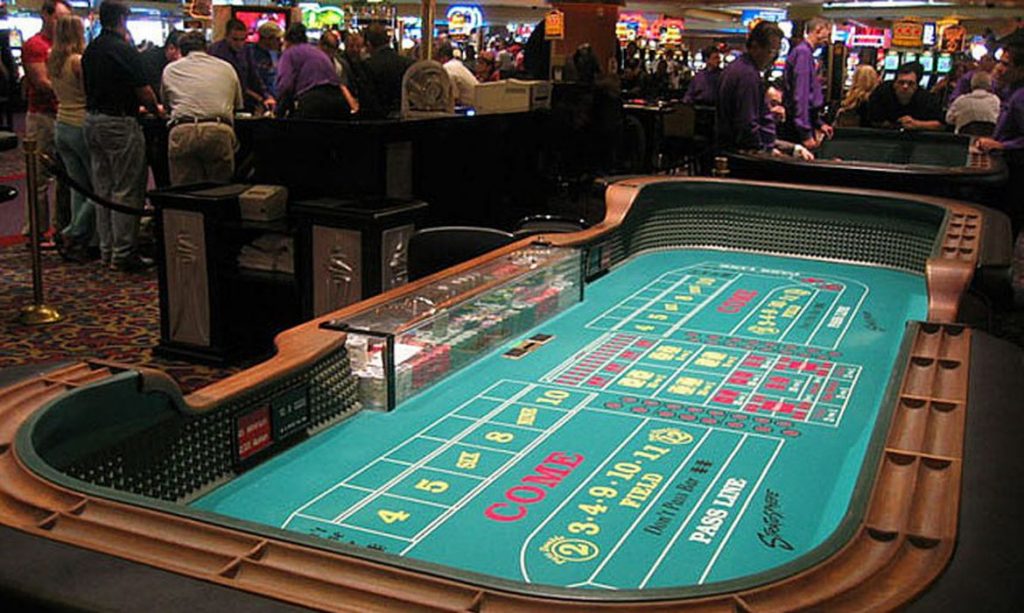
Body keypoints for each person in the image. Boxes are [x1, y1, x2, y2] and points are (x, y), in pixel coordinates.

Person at [82, 0, 163, 272]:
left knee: (102, 189)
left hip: (92, 119)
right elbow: (144, 91)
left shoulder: (91, 49)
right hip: (119, 121)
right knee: (126, 189)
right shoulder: (123, 49)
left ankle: (107, 250)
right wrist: (157, 111)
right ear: (122, 19)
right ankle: (124, 253)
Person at [161, 31, 242, 185]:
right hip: (218, 129)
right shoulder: (227, 68)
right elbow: (237, 105)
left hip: (183, 130)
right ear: (206, 48)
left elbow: (167, 105)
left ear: (181, 50)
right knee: (218, 189)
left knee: (184, 190)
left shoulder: (170, 69)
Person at [21, 0, 72, 246]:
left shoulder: (66, 46)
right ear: (45, 15)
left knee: (67, 177)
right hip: (42, 116)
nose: (62, 24)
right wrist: (70, 90)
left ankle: (63, 229)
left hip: (65, 116)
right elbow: (41, 82)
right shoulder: (35, 45)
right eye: (58, 18)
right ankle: (36, 230)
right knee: (39, 177)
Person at [47, 13, 95, 262]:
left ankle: (80, 236)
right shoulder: (77, 61)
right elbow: (90, 92)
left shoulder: (52, 59)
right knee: (99, 189)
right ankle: (73, 231)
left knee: (78, 187)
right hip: (80, 124)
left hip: (61, 123)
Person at [716, 21, 784, 153]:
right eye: (771, 51)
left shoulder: (738, 66)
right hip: (744, 153)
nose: (773, 59)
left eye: (776, 53)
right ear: (755, 46)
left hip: (732, 148)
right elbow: (747, 124)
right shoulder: (748, 75)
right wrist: (763, 150)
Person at [275, 23, 350, 120]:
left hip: (313, 101)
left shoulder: (289, 53)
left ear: (286, 41)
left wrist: (278, 113)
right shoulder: (317, 52)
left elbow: (285, 85)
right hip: (339, 100)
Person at [782, 16, 833, 149]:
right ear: (818, 30)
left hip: (804, 121)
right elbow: (801, 95)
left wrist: (819, 123)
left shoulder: (805, 53)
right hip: (797, 128)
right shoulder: (803, 53)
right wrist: (805, 133)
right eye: (828, 34)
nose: (828, 40)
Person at [210, 18, 275, 114]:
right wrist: (259, 98)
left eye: (242, 39)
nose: (239, 44)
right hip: (222, 99)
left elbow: (254, 75)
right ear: (226, 37)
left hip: (244, 101)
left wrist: (266, 96)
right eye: (235, 39)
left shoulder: (246, 50)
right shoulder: (216, 51)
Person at [867, 63, 944, 131]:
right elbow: (871, 120)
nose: (905, 86)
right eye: (901, 82)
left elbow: (940, 125)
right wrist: (895, 125)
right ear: (894, 84)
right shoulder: (882, 92)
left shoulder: (926, 98)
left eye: (910, 83)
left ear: (916, 86)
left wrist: (917, 124)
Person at [362, 24, 414, 118]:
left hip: (378, 119)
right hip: (404, 118)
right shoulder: (408, 63)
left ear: (368, 44)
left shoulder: (367, 65)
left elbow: (368, 100)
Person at [436, 41, 477, 107]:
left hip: (471, 106)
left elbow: (453, 98)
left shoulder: (447, 68)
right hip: (476, 102)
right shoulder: (456, 64)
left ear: (444, 57)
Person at [249, 21, 282, 99]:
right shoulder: (251, 53)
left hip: (277, 97)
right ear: (267, 39)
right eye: (277, 39)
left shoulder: (278, 54)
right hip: (259, 98)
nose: (280, 42)